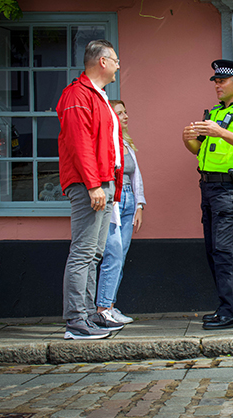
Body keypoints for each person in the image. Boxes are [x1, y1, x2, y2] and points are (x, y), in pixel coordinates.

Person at [182, 59, 233, 330]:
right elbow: (200, 149)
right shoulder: (216, 112)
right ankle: (225, 307)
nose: (216, 85)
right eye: (215, 81)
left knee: (224, 250)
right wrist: (187, 139)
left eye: (221, 81)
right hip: (207, 186)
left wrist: (220, 131)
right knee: (213, 250)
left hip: (228, 188)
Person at [57, 39, 125, 340]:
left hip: (101, 183)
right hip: (91, 184)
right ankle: (76, 320)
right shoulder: (78, 95)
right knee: (84, 252)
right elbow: (79, 143)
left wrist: (108, 186)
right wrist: (94, 185)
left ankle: (86, 315)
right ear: (102, 61)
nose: (118, 65)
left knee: (94, 252)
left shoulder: (97, 96)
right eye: (116, 60)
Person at [95, 100, 146, 325]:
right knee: (112, 253)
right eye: (120, 113)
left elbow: (136, 177)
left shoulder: (125, 142)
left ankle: (111, 306)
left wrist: (140, 206)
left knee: (120, 255)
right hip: (113, 201)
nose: (126, 116)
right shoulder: (105, 142)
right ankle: (102, 308)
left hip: (129, 200)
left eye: (126, 111)